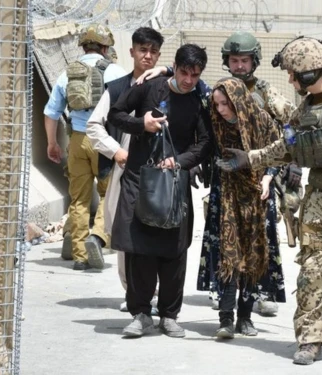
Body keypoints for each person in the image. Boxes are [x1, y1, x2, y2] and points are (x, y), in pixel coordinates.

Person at [215, 36, 322, 365]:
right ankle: (310, 338)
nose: (291, 81)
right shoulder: (306, 107)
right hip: (317, 200)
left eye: (293, 75)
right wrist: (249, 158)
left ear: (307, 73)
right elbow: (285, 147)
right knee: (311, 271)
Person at [107, 44, 211, 337]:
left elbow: (204, 143)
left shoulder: (198, 100)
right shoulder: (148, 88)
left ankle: (168, 315)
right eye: (183, 72)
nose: (189, 79)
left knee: (174, 250)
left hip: (174, 183)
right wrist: (143, 123)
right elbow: (115, 115)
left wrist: (178, 161)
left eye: (195, 74)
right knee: (139, 249)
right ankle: (140, 314)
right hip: (140, 179)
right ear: (174, 66)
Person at [204, 30, 294, 317]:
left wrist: (284, 166)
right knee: (224, 240)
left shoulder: (266, 93)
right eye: (234, 60)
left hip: (260, 178)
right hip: (227, 180)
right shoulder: (217, 92)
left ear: (254, 61)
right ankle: (225, 294)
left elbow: (290, 126)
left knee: (261, 240)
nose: (239, 66)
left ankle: (260, 292)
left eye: (244, 60)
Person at [86, 27, 165, 312]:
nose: (147, 56)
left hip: (160, 173)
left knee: (158, 228)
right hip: (124, 170)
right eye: (142, 50)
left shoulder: (164, 84)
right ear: (131, 52)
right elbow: (94, 125)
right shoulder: (118, 88)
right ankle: (132, 291)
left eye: (153, 52)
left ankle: (154, 293)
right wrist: (116, 151)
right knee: (125, 229)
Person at [201, 77, 282, 339]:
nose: (221, 109)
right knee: (228, 253)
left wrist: (268, 177)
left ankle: (245, 317)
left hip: (257, 196)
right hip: (224, 196)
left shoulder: (261, 119)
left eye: (226, 103)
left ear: (238, 99)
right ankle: (225, 318)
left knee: (252, 254)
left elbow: (279, 151)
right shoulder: (214, 121)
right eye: (217, 104)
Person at [43, 23, 126, 270]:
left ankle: (79, 255)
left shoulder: (66, 73)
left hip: (77, 139)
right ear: (104, 46)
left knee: (78, 199)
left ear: (83, 46)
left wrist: (52, 143)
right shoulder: (115, 71)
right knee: (108, 193)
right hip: (103, 139)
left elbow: (51, 112)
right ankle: (97, 238)